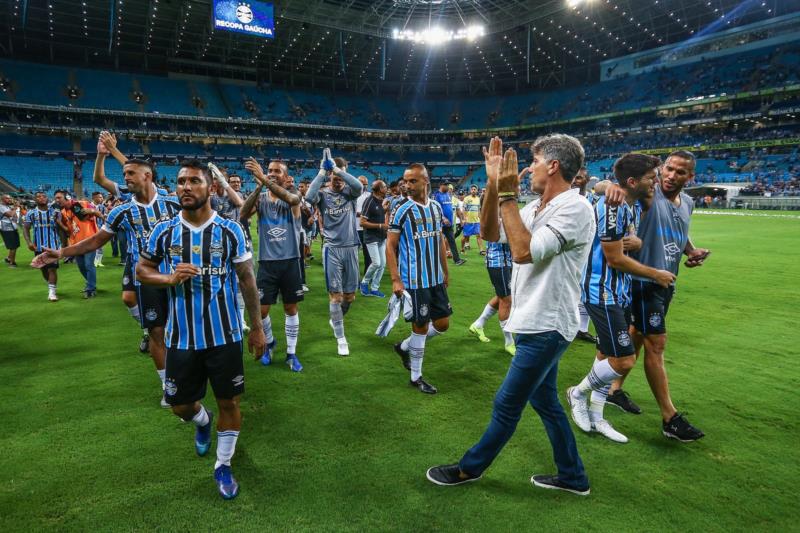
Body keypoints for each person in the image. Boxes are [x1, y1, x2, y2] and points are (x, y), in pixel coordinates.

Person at [426, 134, 594, 496]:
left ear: (553, 166)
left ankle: (470, 469)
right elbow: (489, 232)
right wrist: (491, 185)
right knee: (546, 402)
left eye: (533, 162)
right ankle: (573, 477)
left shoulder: (575, 208)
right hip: (535, 321)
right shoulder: (537, 207)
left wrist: (506, 195)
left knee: (506, 403)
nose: (527, 169)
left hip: (548, 325)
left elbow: (522, 252)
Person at [136, 160, 265, 500]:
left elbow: (247, 280)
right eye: (180, 182)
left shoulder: (230, 229)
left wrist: (258, 328)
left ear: (211, 187)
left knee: (230, 402)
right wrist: (169, 278)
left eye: (194, 181)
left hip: (225, 336)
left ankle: (223, 465)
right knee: (180, 407)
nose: (186, 187)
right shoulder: (164, 231)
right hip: (182, 339)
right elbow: (142, 270)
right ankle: (202, 422)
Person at [39, 158, 181, 407]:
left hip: (179, 277)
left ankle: (191, 376)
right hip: (147, 280)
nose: (125, 177)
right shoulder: (122, 211)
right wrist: (61, 252)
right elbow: (95, 241)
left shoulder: (174, 203)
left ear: (147, 175)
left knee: (183, 333)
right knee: (157, 334)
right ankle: (167, 386)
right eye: (124, 174)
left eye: (130, 173)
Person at [566, 153, 675, 444]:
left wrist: (636, 241)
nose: (656, 181)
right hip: (601, 292)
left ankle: (598, 416)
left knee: (605, 355)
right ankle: (577, 392)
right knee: (624, 360)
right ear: (632, 181)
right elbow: (614, 259)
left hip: (620, 291)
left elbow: (629, 241)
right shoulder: (612, 206)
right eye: (652, 177)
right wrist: (656, 274)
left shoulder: (631, 206)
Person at [605, 151, 710, 441]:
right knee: (656, 343)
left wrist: (692, 252)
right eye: (669, 169)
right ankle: (670, 418)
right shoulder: (649, 195)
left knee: (638, 336)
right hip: (643, 280)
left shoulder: (687, 202)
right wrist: (607, 186)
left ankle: (613, 391)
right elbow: (605, 186)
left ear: (690, 177)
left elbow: (679, 230)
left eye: (679, 172)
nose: (670, 176)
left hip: (665, 282)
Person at [387, 163, 450, 394]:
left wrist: (445, 270)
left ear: (425, 181)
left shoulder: (435, 208)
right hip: (414, 280)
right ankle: (416, 377)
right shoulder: (401, 209)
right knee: (421, 327)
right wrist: (395, 279)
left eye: (413, 181)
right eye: (405, 181)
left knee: (442, 324)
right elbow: (390, 246)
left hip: (435, 278)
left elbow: (439, 241)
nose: (407, 185)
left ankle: (404, 347)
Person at [240, 157, 304, 372]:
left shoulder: (293, 196)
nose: (273, 172)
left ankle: (291, 353)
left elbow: (294, 201)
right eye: (269, 170)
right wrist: (259, 187)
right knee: (263, 311)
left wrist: (263, 179)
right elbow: (242, 214)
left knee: (290, 308)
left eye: (277, 170)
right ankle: (269, 343)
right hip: (267, 263)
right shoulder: (262, 199)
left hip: (290, 262)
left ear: (286, 176)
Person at [305, 150, 364, 357]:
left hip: (351, 248)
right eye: (335, 177)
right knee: (335, 297)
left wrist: (338, 169)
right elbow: (309, 197)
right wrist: (323, 171)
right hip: (332, 249)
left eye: (341, 177)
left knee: (350, 297)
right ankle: (341, 338)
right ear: (329, 176)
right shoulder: (323, 194)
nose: (338, 180)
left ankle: (336, 319)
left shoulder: (350, 192)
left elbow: (359, 186)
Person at [468, 168, 531, 357]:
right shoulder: (492, 218)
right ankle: (509, 341)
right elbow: (505, 237)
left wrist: (513, 183)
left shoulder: (501, 213)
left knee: (502, 296)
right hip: (498, 262)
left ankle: (478, 324)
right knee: (507, 300)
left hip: (507, 261)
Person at [54, 190, 103, 299]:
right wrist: (59, 223)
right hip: (76, 243)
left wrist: (90, 210)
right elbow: (68, 230)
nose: (57, 200)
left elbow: (98, 214)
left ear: (67, 197)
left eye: (59, 198)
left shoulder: (83, 204)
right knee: (81, 267)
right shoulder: (63, 212)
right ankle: (91, 284)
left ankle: (91, 288)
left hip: (90, 240)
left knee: (88, 265)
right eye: (56, 198)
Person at [571, 167, 597, 343]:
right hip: (567, 252)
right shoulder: (564, 199)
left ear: (587, 180)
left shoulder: (594, 201)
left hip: (588, 251)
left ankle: (581, 328)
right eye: (573, 177)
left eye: (579, 178)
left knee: (583, 289)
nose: (575, 180)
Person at [23, 192, 62, 301]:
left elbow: (61, 228)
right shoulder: (31, 213)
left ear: (47, 198)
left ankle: (52, 292)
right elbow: (25, 229)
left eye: (44, 196)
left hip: (53, 246)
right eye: (38, 197)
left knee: (52, 269)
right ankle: (51, 285)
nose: (42, 198)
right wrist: (29, 242)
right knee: (44, 270)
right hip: (38, 247)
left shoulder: (55, 212)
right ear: (35, 200)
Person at [359, 179, 388, 297]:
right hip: (371, 237)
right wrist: (381, 225)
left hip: (381, 236)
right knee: (376, 263)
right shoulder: (369, 201)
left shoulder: (380, 201)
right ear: (380, 189)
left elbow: (377, 214)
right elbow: (362, 222)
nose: (387, 189)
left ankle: (375, 288)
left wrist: (385, 208)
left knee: (382, 264)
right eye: (385, 187)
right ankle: (364, 283)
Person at [432, 182, 466, 266]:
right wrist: (442, 218)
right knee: (436, 242)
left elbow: (453, 209)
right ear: (441, 185)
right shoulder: (436, 195)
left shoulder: (448, 195)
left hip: (449, 224)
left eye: (448, 186)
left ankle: (457, 260)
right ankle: (434, 261)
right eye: (446, 185)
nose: (448, 187)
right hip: (439, 224)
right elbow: (435, 208)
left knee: (452, 241)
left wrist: (461, 219)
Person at [355, 175, 372, 275]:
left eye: (365, 184)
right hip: (353, 228)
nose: (364, 186)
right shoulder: (352, 194)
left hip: (366, 228)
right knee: (353, 254)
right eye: (362, 184)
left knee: (368, 254)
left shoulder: (370, 195)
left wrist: (361, 214)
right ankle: (354, 275)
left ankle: (367, 276)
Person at [460, 185, 483, 254]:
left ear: (477, 190)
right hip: (468, 221)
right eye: (472, 189)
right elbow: (464, 209)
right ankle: (462, 248)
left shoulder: (478, 199)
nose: (473, 190)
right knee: (465, 236)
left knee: (478, 235)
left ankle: (481, 250)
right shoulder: (466, 198)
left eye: (475, 189)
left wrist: (481, 219)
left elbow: (479, 210)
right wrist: (464, 219)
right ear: (470, 190)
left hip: (476, 221)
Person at [0, 195, 20, 267]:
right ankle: (12, 263)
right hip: (6, 228)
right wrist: (15, 208)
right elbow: (10, 214)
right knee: (13, 246)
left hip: (12, 227)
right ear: (2, 199)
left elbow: (15, 216)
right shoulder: (1, 206)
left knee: (16, 245)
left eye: (10, 198)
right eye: (7, 198)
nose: (9, 199)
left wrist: (14, 210)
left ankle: (8, 258)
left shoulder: (8, 207)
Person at [90, 192, 107, 267]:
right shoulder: (89, 206)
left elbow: (104, 218)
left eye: (101, 197)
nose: (101, 199)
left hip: (100, 228)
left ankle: (98, 261)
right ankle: (92, 261)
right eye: (99, 197)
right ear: (94, 198)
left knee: (100, 245)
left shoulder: (102, 207)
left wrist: (104, 226)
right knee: (91, 245)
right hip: (91, 229)